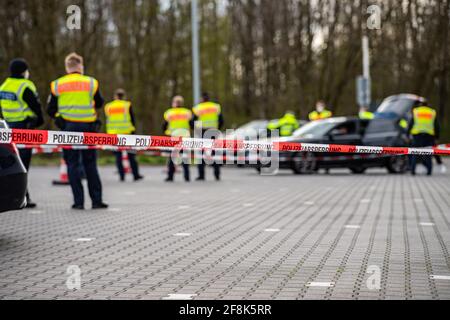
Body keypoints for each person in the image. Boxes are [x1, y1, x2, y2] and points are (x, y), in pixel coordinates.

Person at [47, 53, 108, 210]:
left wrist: (59, 118)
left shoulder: (57, 84)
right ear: (80, 66)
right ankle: (96, 201)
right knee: (90, 164)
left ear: (67, 67)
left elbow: (50, 109)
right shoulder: (91, 83)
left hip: (68, 127)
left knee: (72, 164)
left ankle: (78, 202)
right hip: (88, 128)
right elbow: (100, 103)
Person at [0, 58, 44, 208]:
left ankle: (18, 196)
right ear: (23, 71)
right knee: (23, 165)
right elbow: (36, 107)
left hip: (7, 130)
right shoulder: (25, 85)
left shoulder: (4, 86)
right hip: (24, 128)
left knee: (11, 165)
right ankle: (22, 197)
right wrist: (38, 121)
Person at [104, 89, 143, 182]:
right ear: (123, 96)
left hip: (113, 134)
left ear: (115, 96)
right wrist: (133, 131)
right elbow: (132, 119)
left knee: (118, 156)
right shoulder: (127, 105)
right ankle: (135, 175)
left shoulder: (108, 106)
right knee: (131, 155)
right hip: (127, 133)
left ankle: (121, 176)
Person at [192, 92, 224, 181]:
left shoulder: (198, 108)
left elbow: (192, 121)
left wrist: (196, 130)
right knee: (214, 153)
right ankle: (217, 175)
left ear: (202, 99)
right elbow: (221, 120)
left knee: (201, 153)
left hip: (202, 132)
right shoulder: (216, 107)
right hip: (214, 131)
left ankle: (201, 175)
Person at [163, 96, 193, 182]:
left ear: (174, 103)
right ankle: (187, 177)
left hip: (173, 137)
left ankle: (170, 176)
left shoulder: (169, 112)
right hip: (185, 137)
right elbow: (191, 124)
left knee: (171, 158)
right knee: (185, 158)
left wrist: (166, 131)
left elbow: (165, 125)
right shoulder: (187, 112)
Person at [408, 102, 440, 176]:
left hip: (417, 135)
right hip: (429, 136)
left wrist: (407, 134)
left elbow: (411, 123)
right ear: (427, 105)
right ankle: (429, 171)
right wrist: (437, 137)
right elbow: (437, 126)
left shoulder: (416, 111)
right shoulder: (432, 112)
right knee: (428, 153)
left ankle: (413, 171)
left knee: (415, 153)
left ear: (420, 105)